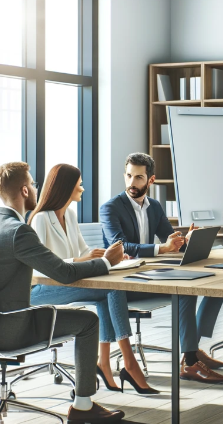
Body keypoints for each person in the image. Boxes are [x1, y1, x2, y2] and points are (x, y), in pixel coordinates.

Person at [0, 162, 126, 424]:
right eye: (32, 183)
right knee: (88, 322)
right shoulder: (19, 231)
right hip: (8, 329)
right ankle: (83, 406)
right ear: (24, 191)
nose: (35, 187)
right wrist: (108, 262)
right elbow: (63, 272)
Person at [29, 164, 158, 394]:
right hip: (43, 288)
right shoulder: (40, 219)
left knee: (108, 289)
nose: (82, 188)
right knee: (110, 289)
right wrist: (83, 259)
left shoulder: (69, 215)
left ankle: (105, 362)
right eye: (79, 184)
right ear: (66, 187)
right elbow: (45, 267)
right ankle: (128, 363)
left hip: (69, 282)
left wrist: (110, 257)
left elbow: (84, 250)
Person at [100, 153, 223, 384]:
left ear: (151, 180)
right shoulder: (110, 208)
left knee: (203, 284)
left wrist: (183, 241)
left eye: (139, 177)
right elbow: (120, 246)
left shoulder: (154, 206)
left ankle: (191, 354)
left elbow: (168, 239)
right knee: (185, 289)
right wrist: (163, 249)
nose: (132, 183)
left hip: (148, 275)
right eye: (129, 176)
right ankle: (190, 360)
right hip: (123, 282)